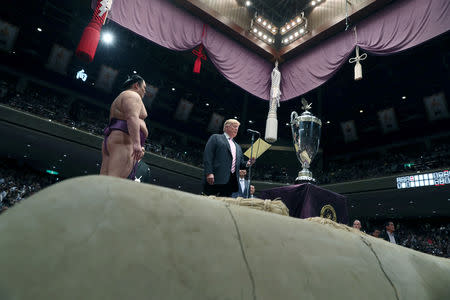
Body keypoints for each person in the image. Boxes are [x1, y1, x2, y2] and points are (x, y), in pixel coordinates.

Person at [100, 75, 148, 179]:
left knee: (104, 179)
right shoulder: (132, 95)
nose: (145, 91)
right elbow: (132, 117)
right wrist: (136, 143)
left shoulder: (124, 96)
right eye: (144, 88)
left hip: (117, 139)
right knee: (114, 180)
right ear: (136, 85)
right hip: (124, 140)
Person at [203, 119, 253, 197]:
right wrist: (209, 173)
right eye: (234, 126)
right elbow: (208, 156)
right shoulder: (216, 138)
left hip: (231, 182)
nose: (236, 129)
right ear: (226, 127)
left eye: (237, 127)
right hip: (216, 178)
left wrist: (248, 163)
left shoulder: (238, 146)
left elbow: (240, 164)